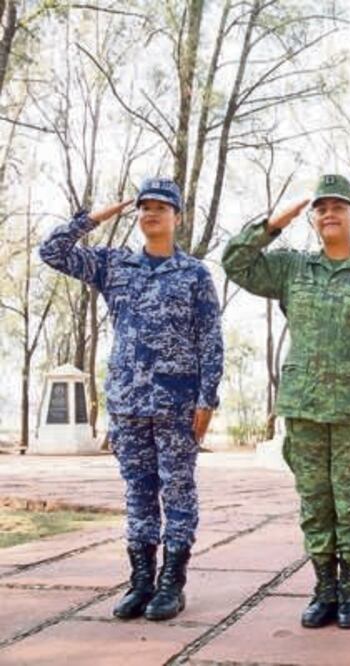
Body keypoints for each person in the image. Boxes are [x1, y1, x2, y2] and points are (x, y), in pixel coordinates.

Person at [222, 174, 350, 629]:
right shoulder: (292, 268)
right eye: (321, 207)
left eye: (338, 207)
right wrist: (273, 223)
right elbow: (235, 263)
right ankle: (323, 588)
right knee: (313, 502)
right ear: (312, 218)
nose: (329, 213)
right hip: (303, 406)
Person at [39, 178, 223, 622]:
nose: (150, 213)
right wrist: (97, 216)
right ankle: (140, 581)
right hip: (128, 402)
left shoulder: (195, 273)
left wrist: (207, 399)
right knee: (138, 494)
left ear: (177, 216)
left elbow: (210, 339)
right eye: (143, 207)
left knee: (178, 491)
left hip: (177, 404)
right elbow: (52, 252)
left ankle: (171, 584)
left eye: (161, 207)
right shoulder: (114, 265)